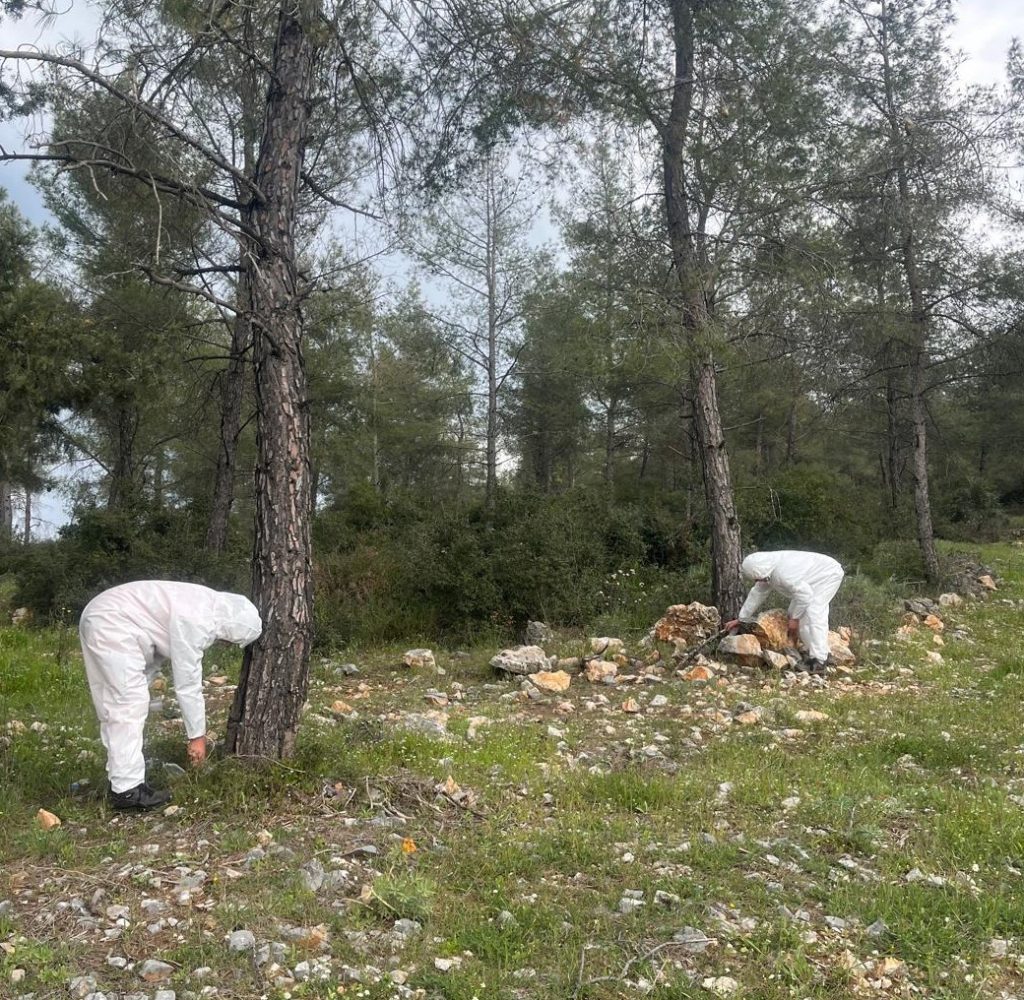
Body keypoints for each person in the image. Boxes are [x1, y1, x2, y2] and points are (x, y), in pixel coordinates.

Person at [78, 581, 262, 811]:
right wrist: (197, 737)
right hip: (112, 622)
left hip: (104, 616)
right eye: (231, 640)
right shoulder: (198, 620)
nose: (225, 644)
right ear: (232, 628)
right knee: (126, 706)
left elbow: (155, 640)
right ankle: (127, 793)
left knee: (116, 706)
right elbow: (188, 684)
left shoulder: (203, 602)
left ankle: (121, 779)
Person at [724, 550, 844, 675]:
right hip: (813, 580)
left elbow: (805, 596)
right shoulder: (767, 570)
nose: (757, 581)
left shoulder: (783, 574)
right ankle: (822, 654)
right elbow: (757, 594)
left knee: (813, 612)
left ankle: (819, 662)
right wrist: (741, 619)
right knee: (795, 613)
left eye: (758, 578)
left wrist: (795, 619)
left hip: (829, 574)